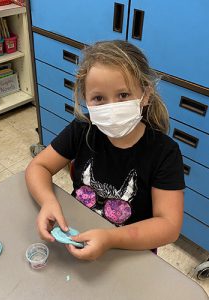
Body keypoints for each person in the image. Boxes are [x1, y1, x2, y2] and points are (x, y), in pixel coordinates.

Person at [25, 40, 185, 261]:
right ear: (86, 101)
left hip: (128, 249)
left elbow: (168, 225)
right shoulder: (83, 129)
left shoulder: (164, 152)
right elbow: (39, 166)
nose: (112, 108)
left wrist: (111, 239)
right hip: (77, 234)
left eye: (123, 95)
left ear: (145, 95)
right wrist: (48, 201)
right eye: (99, 98)